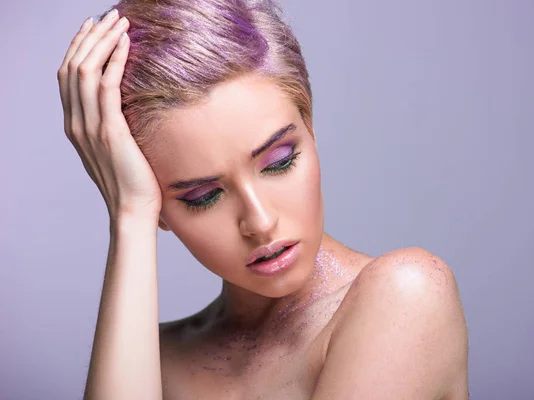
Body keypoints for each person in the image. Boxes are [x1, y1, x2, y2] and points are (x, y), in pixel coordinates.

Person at [56, 1, 469, 398]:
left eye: (279, 162)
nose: (260, 220)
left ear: (310, 128)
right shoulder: (151, 365)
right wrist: (130, 215)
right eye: (203, 196)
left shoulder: (405, 296)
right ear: (160, 208)